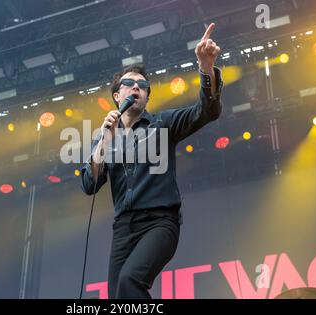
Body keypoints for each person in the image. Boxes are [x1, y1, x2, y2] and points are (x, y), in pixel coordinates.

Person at [80, 23, 223, 299]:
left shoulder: (162, 124)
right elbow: (89, 184)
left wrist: (206, 69)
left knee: (130, 282)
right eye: (129, 84)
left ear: (146, 96)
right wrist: (104, 142)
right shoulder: (105, 137)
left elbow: (207, 111)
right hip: (123, 227)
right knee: (118, 298)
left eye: (143, 86)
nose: (137, 87)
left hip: (160, 222)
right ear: (116, 96)